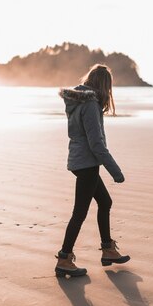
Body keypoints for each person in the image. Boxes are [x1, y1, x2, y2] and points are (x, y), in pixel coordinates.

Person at [55, 63, 130, 278]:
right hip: (87, 164)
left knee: (105, 202)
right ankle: (64, 258)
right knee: (79, 212)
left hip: (81, 161)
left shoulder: (79, 101)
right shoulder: (89, 105)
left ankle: (108, 250)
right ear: (104, 85)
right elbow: (96, 143)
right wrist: (115, 171)